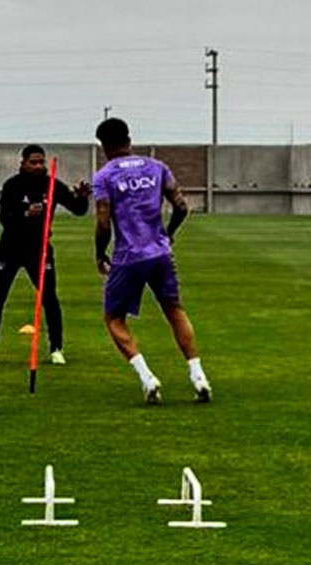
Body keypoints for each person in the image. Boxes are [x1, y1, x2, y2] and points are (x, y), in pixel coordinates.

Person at [92, 118, 211, 404]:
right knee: (174, 310)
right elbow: (181, 207)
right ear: (129, 139)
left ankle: (147, 378)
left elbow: (104, 223)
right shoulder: (157, 168)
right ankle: (198, 376)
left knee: (113, 318)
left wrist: (99, 253)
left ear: (104, 146)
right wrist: (167, 235)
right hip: (159, 253)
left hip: (128, 256)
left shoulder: (105, 176)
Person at [0, 144, 90, 366]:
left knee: (50, 298)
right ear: (23, 163)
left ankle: (56, 348)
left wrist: (83, 197)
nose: (38, 166)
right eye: (33, 162)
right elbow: (4, 218)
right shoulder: (12, 185)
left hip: (39, 249)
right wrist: (25, 213)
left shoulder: (52, 185)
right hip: (10, 248)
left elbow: (78, 210)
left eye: (41, 162)